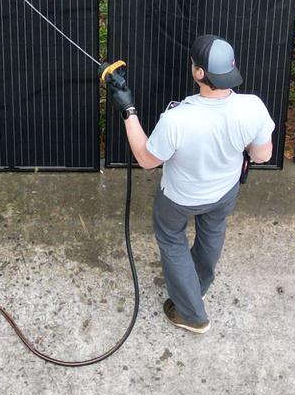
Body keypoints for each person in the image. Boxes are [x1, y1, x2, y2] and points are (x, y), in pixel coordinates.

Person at [107, 35, 274, 335]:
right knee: (213, 230)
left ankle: (191, 313)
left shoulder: (177, 120)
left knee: (172, 238)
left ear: (199, 73)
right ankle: (197, 286)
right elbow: (262, 154)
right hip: (225, 192)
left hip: (179, 198)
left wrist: (128, 109)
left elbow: (147, 160)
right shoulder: (254, 107)